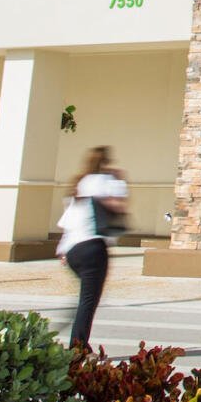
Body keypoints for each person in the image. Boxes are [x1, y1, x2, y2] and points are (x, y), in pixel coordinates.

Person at [56, 145, 128, 350]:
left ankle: (79, 344)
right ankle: (77, 347)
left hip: (72, 250)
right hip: (93, 247)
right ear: (106, 162)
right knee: (88, 301)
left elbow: (68, 220)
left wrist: (63, 249)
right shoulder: (107, 181)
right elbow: (119, 207)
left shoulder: (81, 183)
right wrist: (120, 180)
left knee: (85, 299)